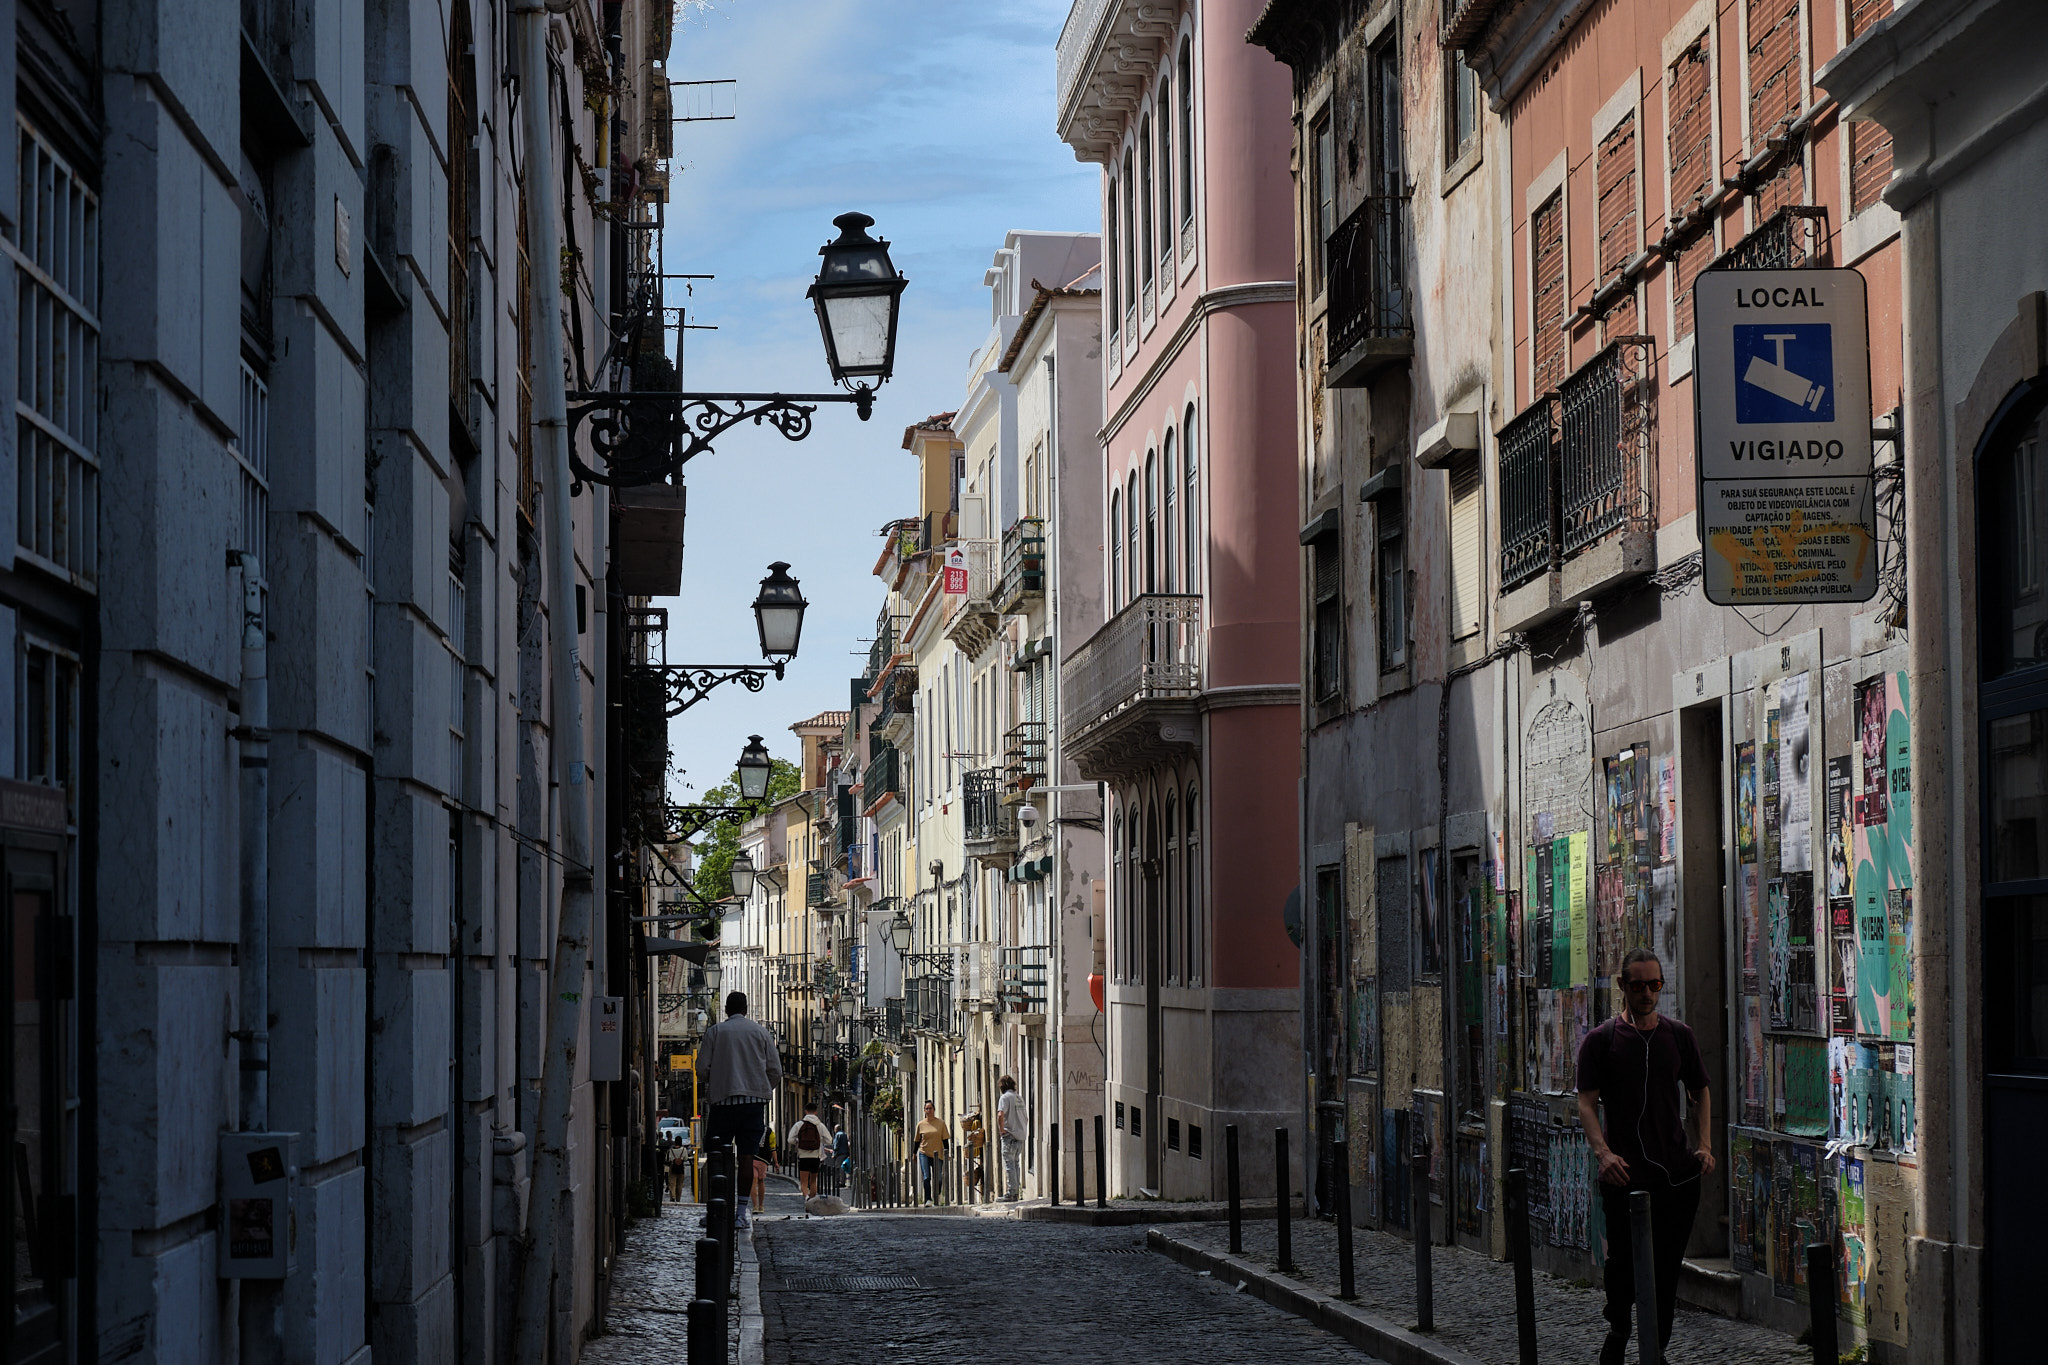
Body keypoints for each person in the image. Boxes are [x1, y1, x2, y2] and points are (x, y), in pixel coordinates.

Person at [1577, 949, 1715, 1365]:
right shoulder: (1602, 1042)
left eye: (1654, 985)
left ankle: (1655, 1350)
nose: (1647, 994)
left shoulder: (1679, 1036)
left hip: (1673, 1172)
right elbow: (1586, 1103)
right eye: (1637, 986)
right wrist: (1603, 1153)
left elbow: (1700, 1090)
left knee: (1666, 1265)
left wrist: (1704, 1145)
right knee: (1622, 1263)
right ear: (1622, 987)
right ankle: (1619, 1327)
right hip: (1623, 1174)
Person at [695, 991, 783, 1229]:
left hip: (723, 1104)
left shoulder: (715, 1032)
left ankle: (716, 1208)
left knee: (716, 1157)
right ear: (746, 1009)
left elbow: (701, 1069)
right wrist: (760, 1088)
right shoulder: (761, 1033)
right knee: (747, 1159)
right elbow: (775, 1071)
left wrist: (717, 1081)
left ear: (726, 1009)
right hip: (753, 1106)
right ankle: (741, 1212)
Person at [788, 1100, 833, 1199]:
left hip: (803, 1156)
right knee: (813, 1181)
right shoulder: (820, 1125)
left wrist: (798, 1141)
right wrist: (819, 1140)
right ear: (816, 1112)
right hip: (815, 1156)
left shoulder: (799, 1125)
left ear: (805, 1111)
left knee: (803, 1182)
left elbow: (790, 1140)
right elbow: (829, 1140)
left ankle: (806, 1197)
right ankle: (812, 1201)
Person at [913, 1101, 951, 1205]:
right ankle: (928, 1199)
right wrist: (914, 1154)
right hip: (924, 1153)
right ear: (924, 1111)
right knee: (926, 1177)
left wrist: (947, 1153)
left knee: (938, 1177)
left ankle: (937, 1195)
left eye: (930, 1108)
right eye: (927, 1109)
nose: (929, 1111)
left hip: (938, 1153)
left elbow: (945, 1140)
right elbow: (917, 1140)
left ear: (934, 1109)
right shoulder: (921, 1124)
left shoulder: (941, 1123)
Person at [996, 1075, 1026, 1201]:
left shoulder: (1005, 1098)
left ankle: (1012, 1193)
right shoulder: (1019, 1098)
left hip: (1009, 1135)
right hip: (1020, 1136)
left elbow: (1000, 1114)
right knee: (1016, 1164)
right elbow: (1026, 1117)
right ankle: (1016, 1192)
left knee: (1009, 1165)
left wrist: (1001, 1130)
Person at [665, 1132, 689, 1203]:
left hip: (673, 1167)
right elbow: (686, 1158)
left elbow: (667, 1159)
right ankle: (678, 1198)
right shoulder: (684, 1150)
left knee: (672, 1183)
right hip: (681, 1168)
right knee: (680, 1184)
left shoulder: (670, 1150)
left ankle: (673, 1196)